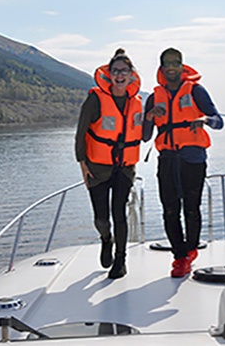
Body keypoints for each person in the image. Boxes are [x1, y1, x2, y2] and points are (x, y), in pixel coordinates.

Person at [143, 47, 223, 278]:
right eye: (167, 63)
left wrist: (204, 119)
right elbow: (146, 135)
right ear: (161, 67)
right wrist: (148, 117)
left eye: (175, 63)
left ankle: (190, 250)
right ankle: (179, 257)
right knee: (169, 209)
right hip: (167, 159)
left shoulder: (196, 91)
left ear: (182, 66)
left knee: (191, 208)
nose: (171, 67)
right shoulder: (154, 97)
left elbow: (219, 121)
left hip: (192, 159)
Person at [75, 48, 143, 279]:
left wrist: (152, 116)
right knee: (101, 218)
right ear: (109, 74)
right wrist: (82, 164)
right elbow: (81, 132)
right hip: (97, 167)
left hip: (124, 168)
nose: (120, 75)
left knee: (119, 213)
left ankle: (121, 261)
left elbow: (142, 135)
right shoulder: (95, 99)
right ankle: (106, 239)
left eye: (124, 71)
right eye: (116, 71)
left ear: (132, 74)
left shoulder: (137, 102)